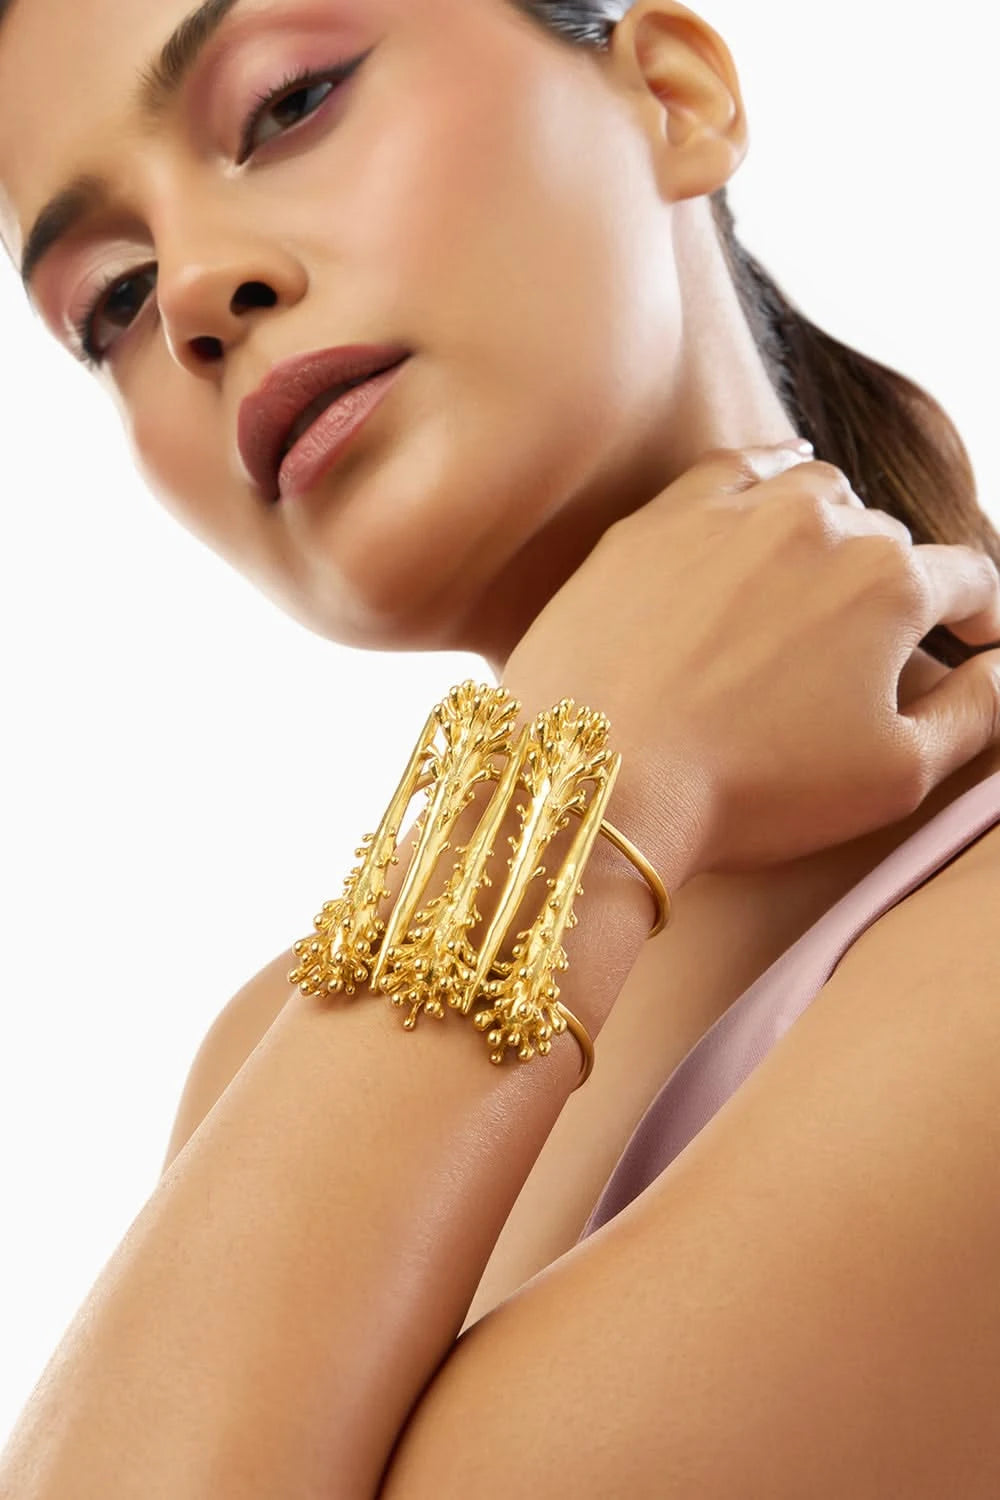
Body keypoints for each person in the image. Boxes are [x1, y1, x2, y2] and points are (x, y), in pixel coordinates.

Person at [2, 0, 999, 1494]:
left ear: (673, 95)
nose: (196, 292)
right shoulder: (266, 1049)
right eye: (112, 301)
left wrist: (574, 772)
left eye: (289, 102)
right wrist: (580, 756)